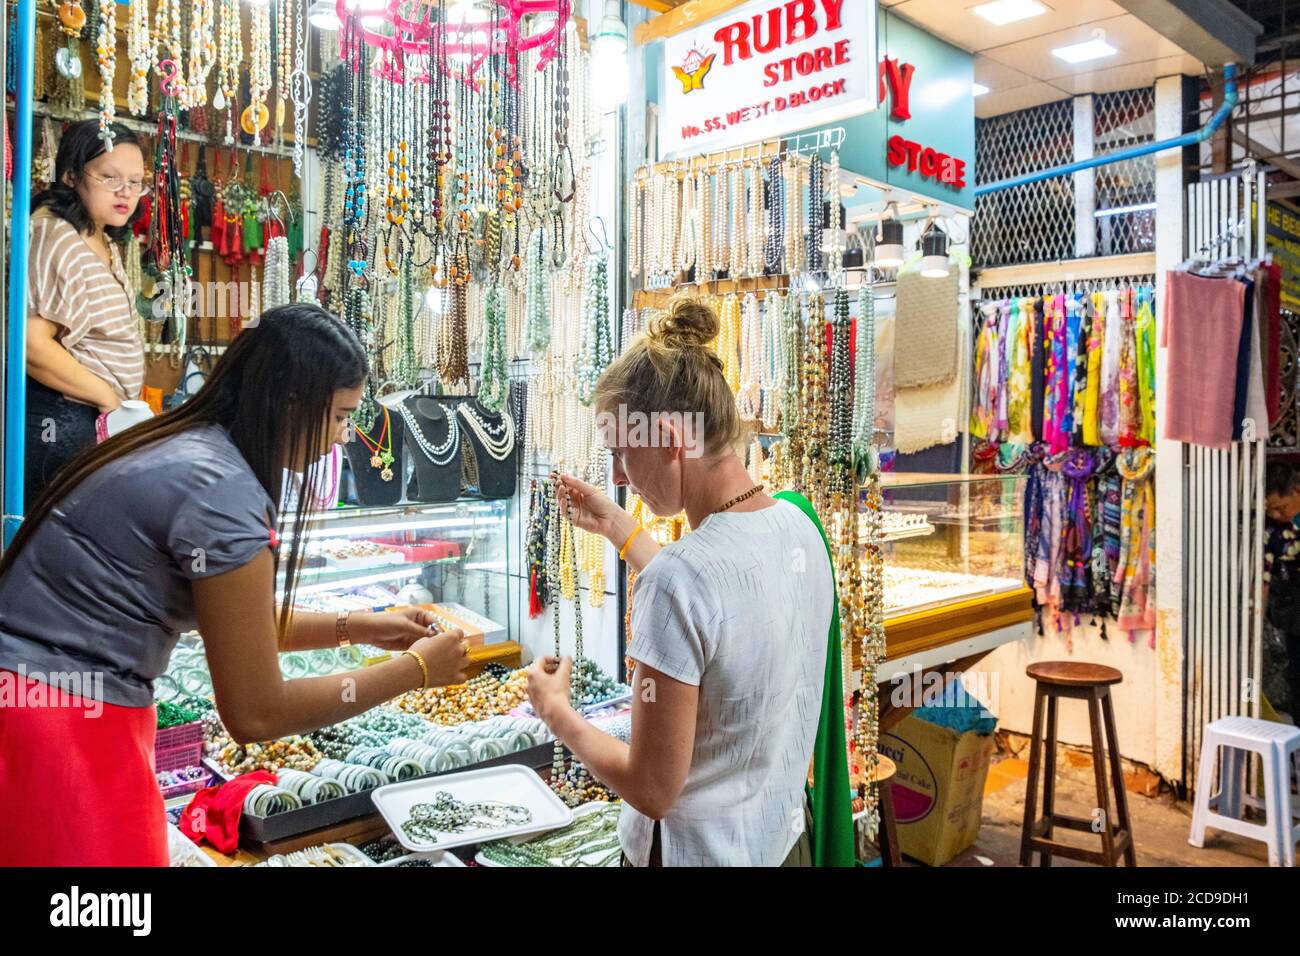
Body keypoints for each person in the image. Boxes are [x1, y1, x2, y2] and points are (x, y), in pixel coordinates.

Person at [0, 304, 471, 866]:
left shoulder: (195, 447)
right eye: (342, 416)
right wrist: (416, 672)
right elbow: (255, 714)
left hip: (41, 705)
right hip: (62, 726)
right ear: (291, 405)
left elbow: (237, 624)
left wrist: (362, 626)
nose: (344, 438)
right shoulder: (222, 489)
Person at [526, 295, 844, 866]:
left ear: (672, 439)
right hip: (782, 844)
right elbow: (729, 605)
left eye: (624, 453)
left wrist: (557, 713)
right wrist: (622, 531)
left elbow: (651, 789)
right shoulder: (800, 527)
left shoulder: (679, 579)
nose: (620, 476)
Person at [24, 120, 149, 508]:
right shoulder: (56, 233)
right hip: (59, 418)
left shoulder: (95, 235)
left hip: (84, 419)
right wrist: (108, 398)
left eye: (135, 182)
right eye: (110, 178)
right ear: (71, 175)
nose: (126, 193)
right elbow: (31, 345)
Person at [1264, 461, 1300, 715]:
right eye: (1272, 510)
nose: (1277, 515)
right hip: (1293, 613)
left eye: (1281, 507)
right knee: (1297, 676)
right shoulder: (1273, 530)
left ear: (1297, 491)